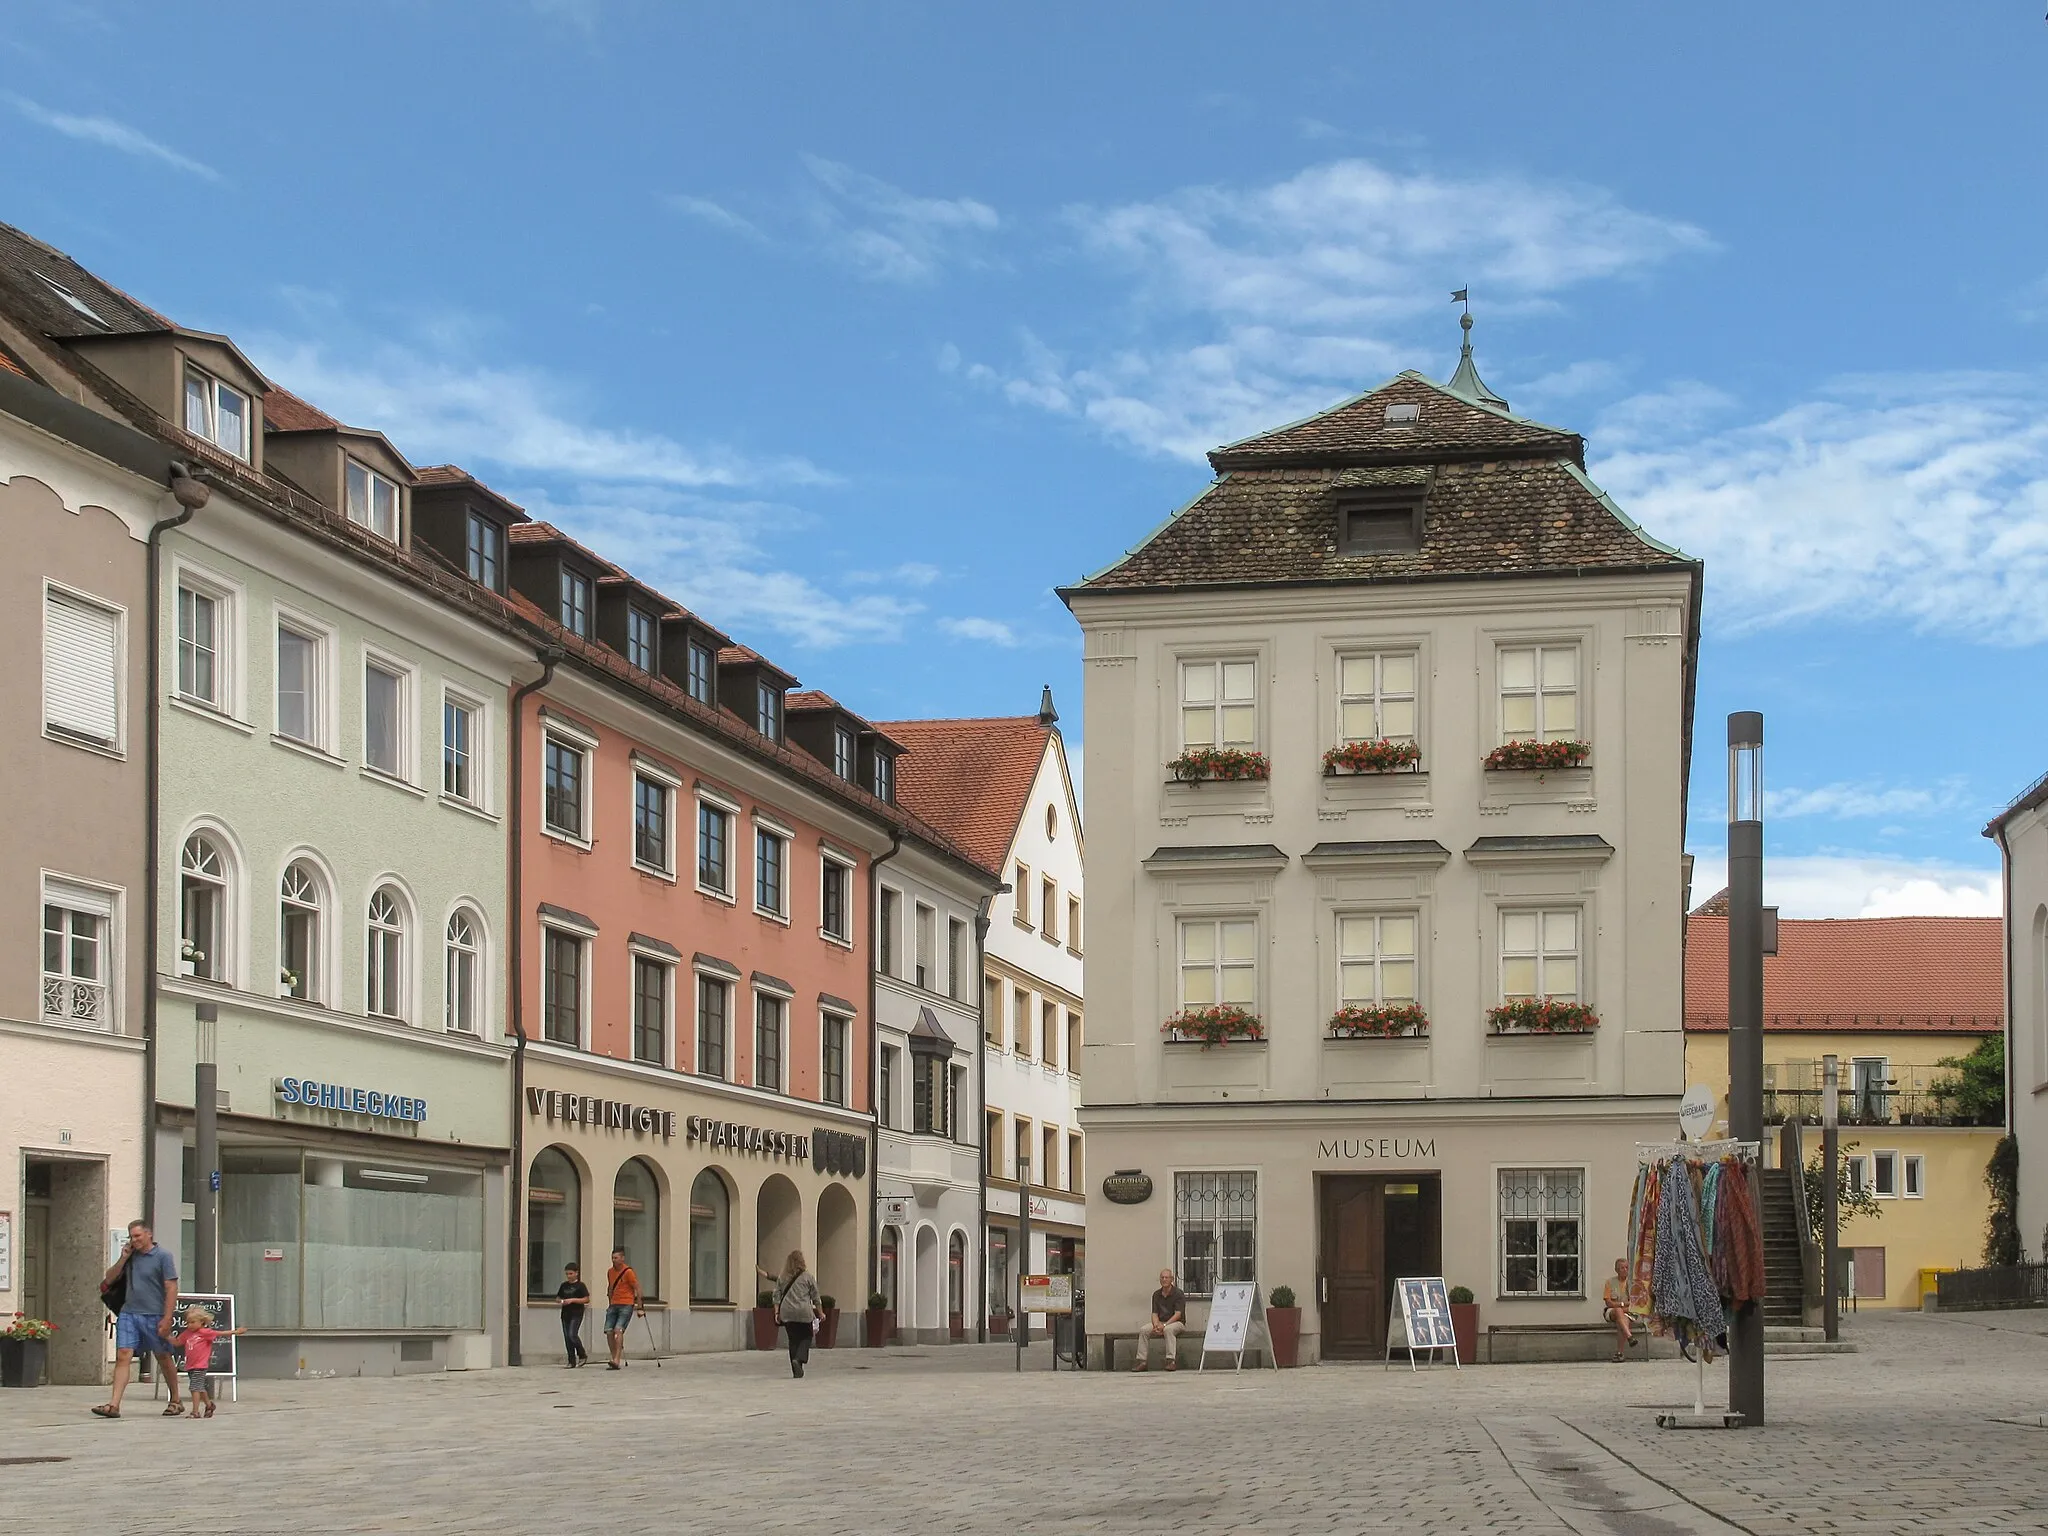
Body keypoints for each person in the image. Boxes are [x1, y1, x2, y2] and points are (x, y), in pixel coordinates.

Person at [93, 1220, 183, 1418]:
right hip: (129, 1313)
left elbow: (171, 1287)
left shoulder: (163, 1256)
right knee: (123, 1354)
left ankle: (175, 1399)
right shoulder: (131, 1256)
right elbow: (109, 1280)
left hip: (155, 1314)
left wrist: (168, 1317)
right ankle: (114, 1404)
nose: (134, 1240)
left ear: (148, 1234)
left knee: (163, 1356)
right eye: (131, 1237)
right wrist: (123, 1258)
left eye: (137, 1236)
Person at [171, 1305, 246, 1419]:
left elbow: (220, 1333)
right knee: (200, 1388)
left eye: (192, 1322)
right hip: (190, 1365)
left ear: (201, 1322)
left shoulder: (205, 1332)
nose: (189, 1325)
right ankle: (209, 1405)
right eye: (187, 1322)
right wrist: (166, 1336)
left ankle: (195, 1412)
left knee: (194, 1388)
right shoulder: (187, 1333)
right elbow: (177, 1342)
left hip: (200, 1366)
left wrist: (236, 1332)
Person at [770, 1250, 824, 1379]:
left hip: (787, 1312)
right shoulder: (808, 1277)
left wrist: (776, 1312)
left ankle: (795, 1367)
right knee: (806, 1336)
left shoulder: (782, 1277)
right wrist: (820, 1313)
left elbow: (776, 1295)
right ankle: (799, 1359)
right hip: (803, 1312)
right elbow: (815, 1297)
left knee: (793, 1339)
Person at [1131, 1268, 1186, 1372]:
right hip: (1160, 1322)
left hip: (1176, 1323)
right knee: (1144, 1330)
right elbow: (1154, 1313)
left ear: (1172, 1279)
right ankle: (1141, 1361)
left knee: (1168, 1330)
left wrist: (1164, 1325)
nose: (1164, 1279)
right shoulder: (1156, 1294)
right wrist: (1156, 1325)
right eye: (1162, 1277)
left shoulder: (1178, 1294)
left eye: (1167, 1277)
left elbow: (1178, 1314)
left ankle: (1171, 1361)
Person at [603, 1247, 642, 1370]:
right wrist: (610, 1301)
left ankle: (617, 1359)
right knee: (609, 1331)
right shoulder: (610, 1272)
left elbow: (638, 1288)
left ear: (622, 1258)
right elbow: (610, 1287)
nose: (614, 1260)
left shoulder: (628, 1272)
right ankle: (613, 1356)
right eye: (612, 1258)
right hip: (614, 1304)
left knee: (618, 1330)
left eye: (616, 1258)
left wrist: (639, 1306)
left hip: (626, 1303)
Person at [556, 1263, 591, 1368]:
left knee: (572, 1334)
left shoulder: (580, 1286)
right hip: (565, 1313)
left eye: (571, 1273)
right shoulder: (564, 1285)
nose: (569, 1276)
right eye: (567, 1274)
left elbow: (586, 1299)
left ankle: (582, 1354)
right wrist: (562, 1301)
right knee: (567, 1337)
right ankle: (571, 1360)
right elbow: (558, 1297)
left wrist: (572, 1300)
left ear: (576, 1273)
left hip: (576, 1313)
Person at [1602, 1258, 1634, 1362]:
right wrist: (1622, 1305)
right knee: (1618, 1311)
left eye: (1626, 1268)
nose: (1625, 1270)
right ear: (1616, 1270)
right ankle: (1629, 1336)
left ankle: (1620, 1353)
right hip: (1611, 1312)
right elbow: (1608, 1303)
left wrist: (1620, 1306)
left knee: (1622, 1320)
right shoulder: (1610, 1282)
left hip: (1628, 1313)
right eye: (1622, 1268)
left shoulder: (1633, 1283)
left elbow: (1635, 1303)